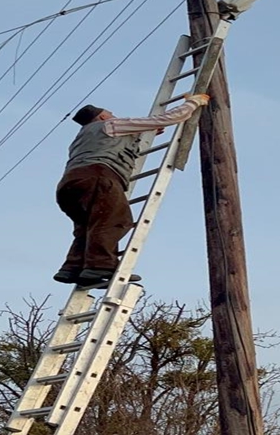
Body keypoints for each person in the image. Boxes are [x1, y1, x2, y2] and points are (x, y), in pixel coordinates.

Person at [54, 93, 210, 289]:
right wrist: (193, 102)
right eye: (110, 113)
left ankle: (72, 269)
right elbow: (168, 118)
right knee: (115, 220)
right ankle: (100, 268)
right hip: (99, 177)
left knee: (86, 228)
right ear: (102, 117)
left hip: (69, 185)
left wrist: (142, 133)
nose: (114, 115)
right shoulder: (111, 125)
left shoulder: (82, 137)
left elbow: (111, 146)